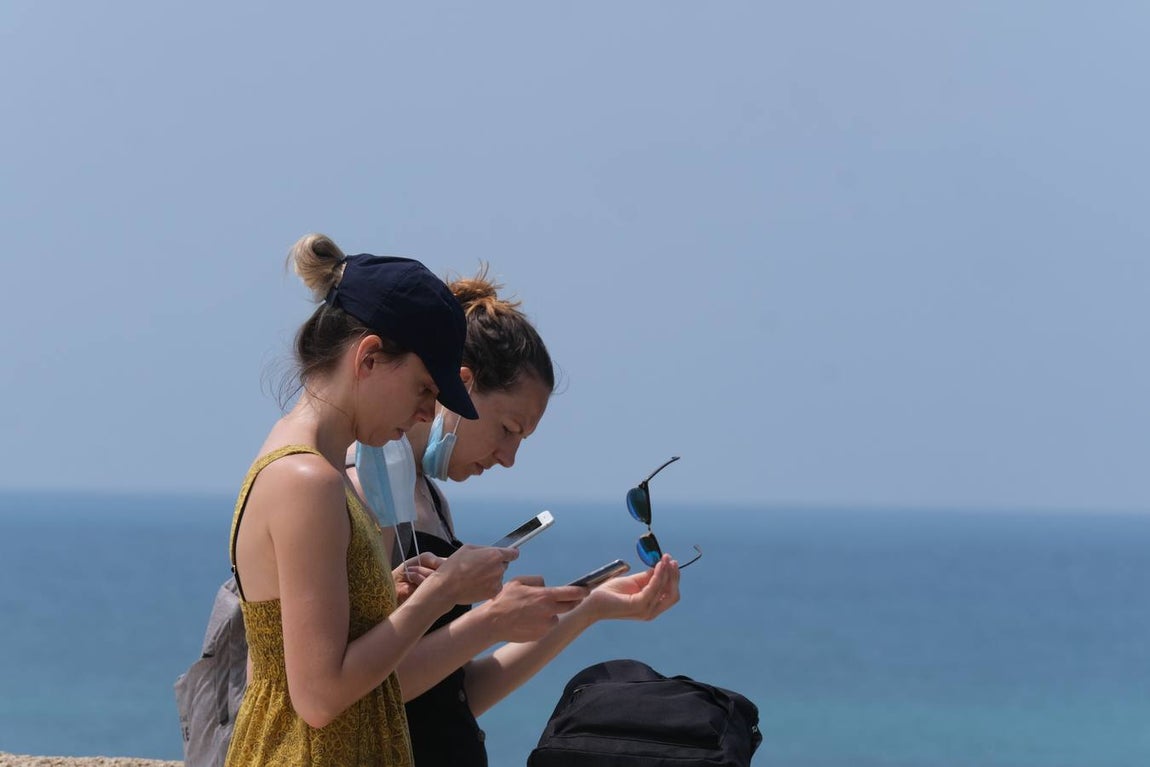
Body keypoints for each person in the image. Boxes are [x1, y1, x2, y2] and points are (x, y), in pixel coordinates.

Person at [349, 269, 683, 767]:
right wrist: (491, 619)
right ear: (461, 389)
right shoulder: (365, 490)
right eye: (508, 429)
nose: (508, 457)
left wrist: (586, 609)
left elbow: (452, 697)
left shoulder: (426, 496)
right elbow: (367, 692)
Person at [224, 234, 518, 767]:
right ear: (370, 357)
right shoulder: (308, 479)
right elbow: (319, 696)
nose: (427, 414)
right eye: (424, 389)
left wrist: (392, 594)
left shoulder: (310, 465)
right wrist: (442, 592)